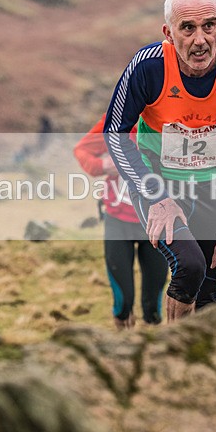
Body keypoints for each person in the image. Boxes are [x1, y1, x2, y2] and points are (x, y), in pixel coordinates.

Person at [103, 0, 216, 322]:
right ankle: (171, 350)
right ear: (168, 33)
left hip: (215, 185)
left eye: (208, 26)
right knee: (190, 267)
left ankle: (196, 352)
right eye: (187, 28)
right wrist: (157, 197)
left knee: (210, 293)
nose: (200, 39)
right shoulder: (148, 66)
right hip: (160, 182)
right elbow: (115, 134)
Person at [74, 114, 168, 329]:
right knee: (123, 303)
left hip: (157, 220)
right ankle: (122, 342)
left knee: (153, 306)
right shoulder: (116, 120)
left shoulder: (169, 117)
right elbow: (81, 150)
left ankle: (152, 343)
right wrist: (102, 165)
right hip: (118, 221)